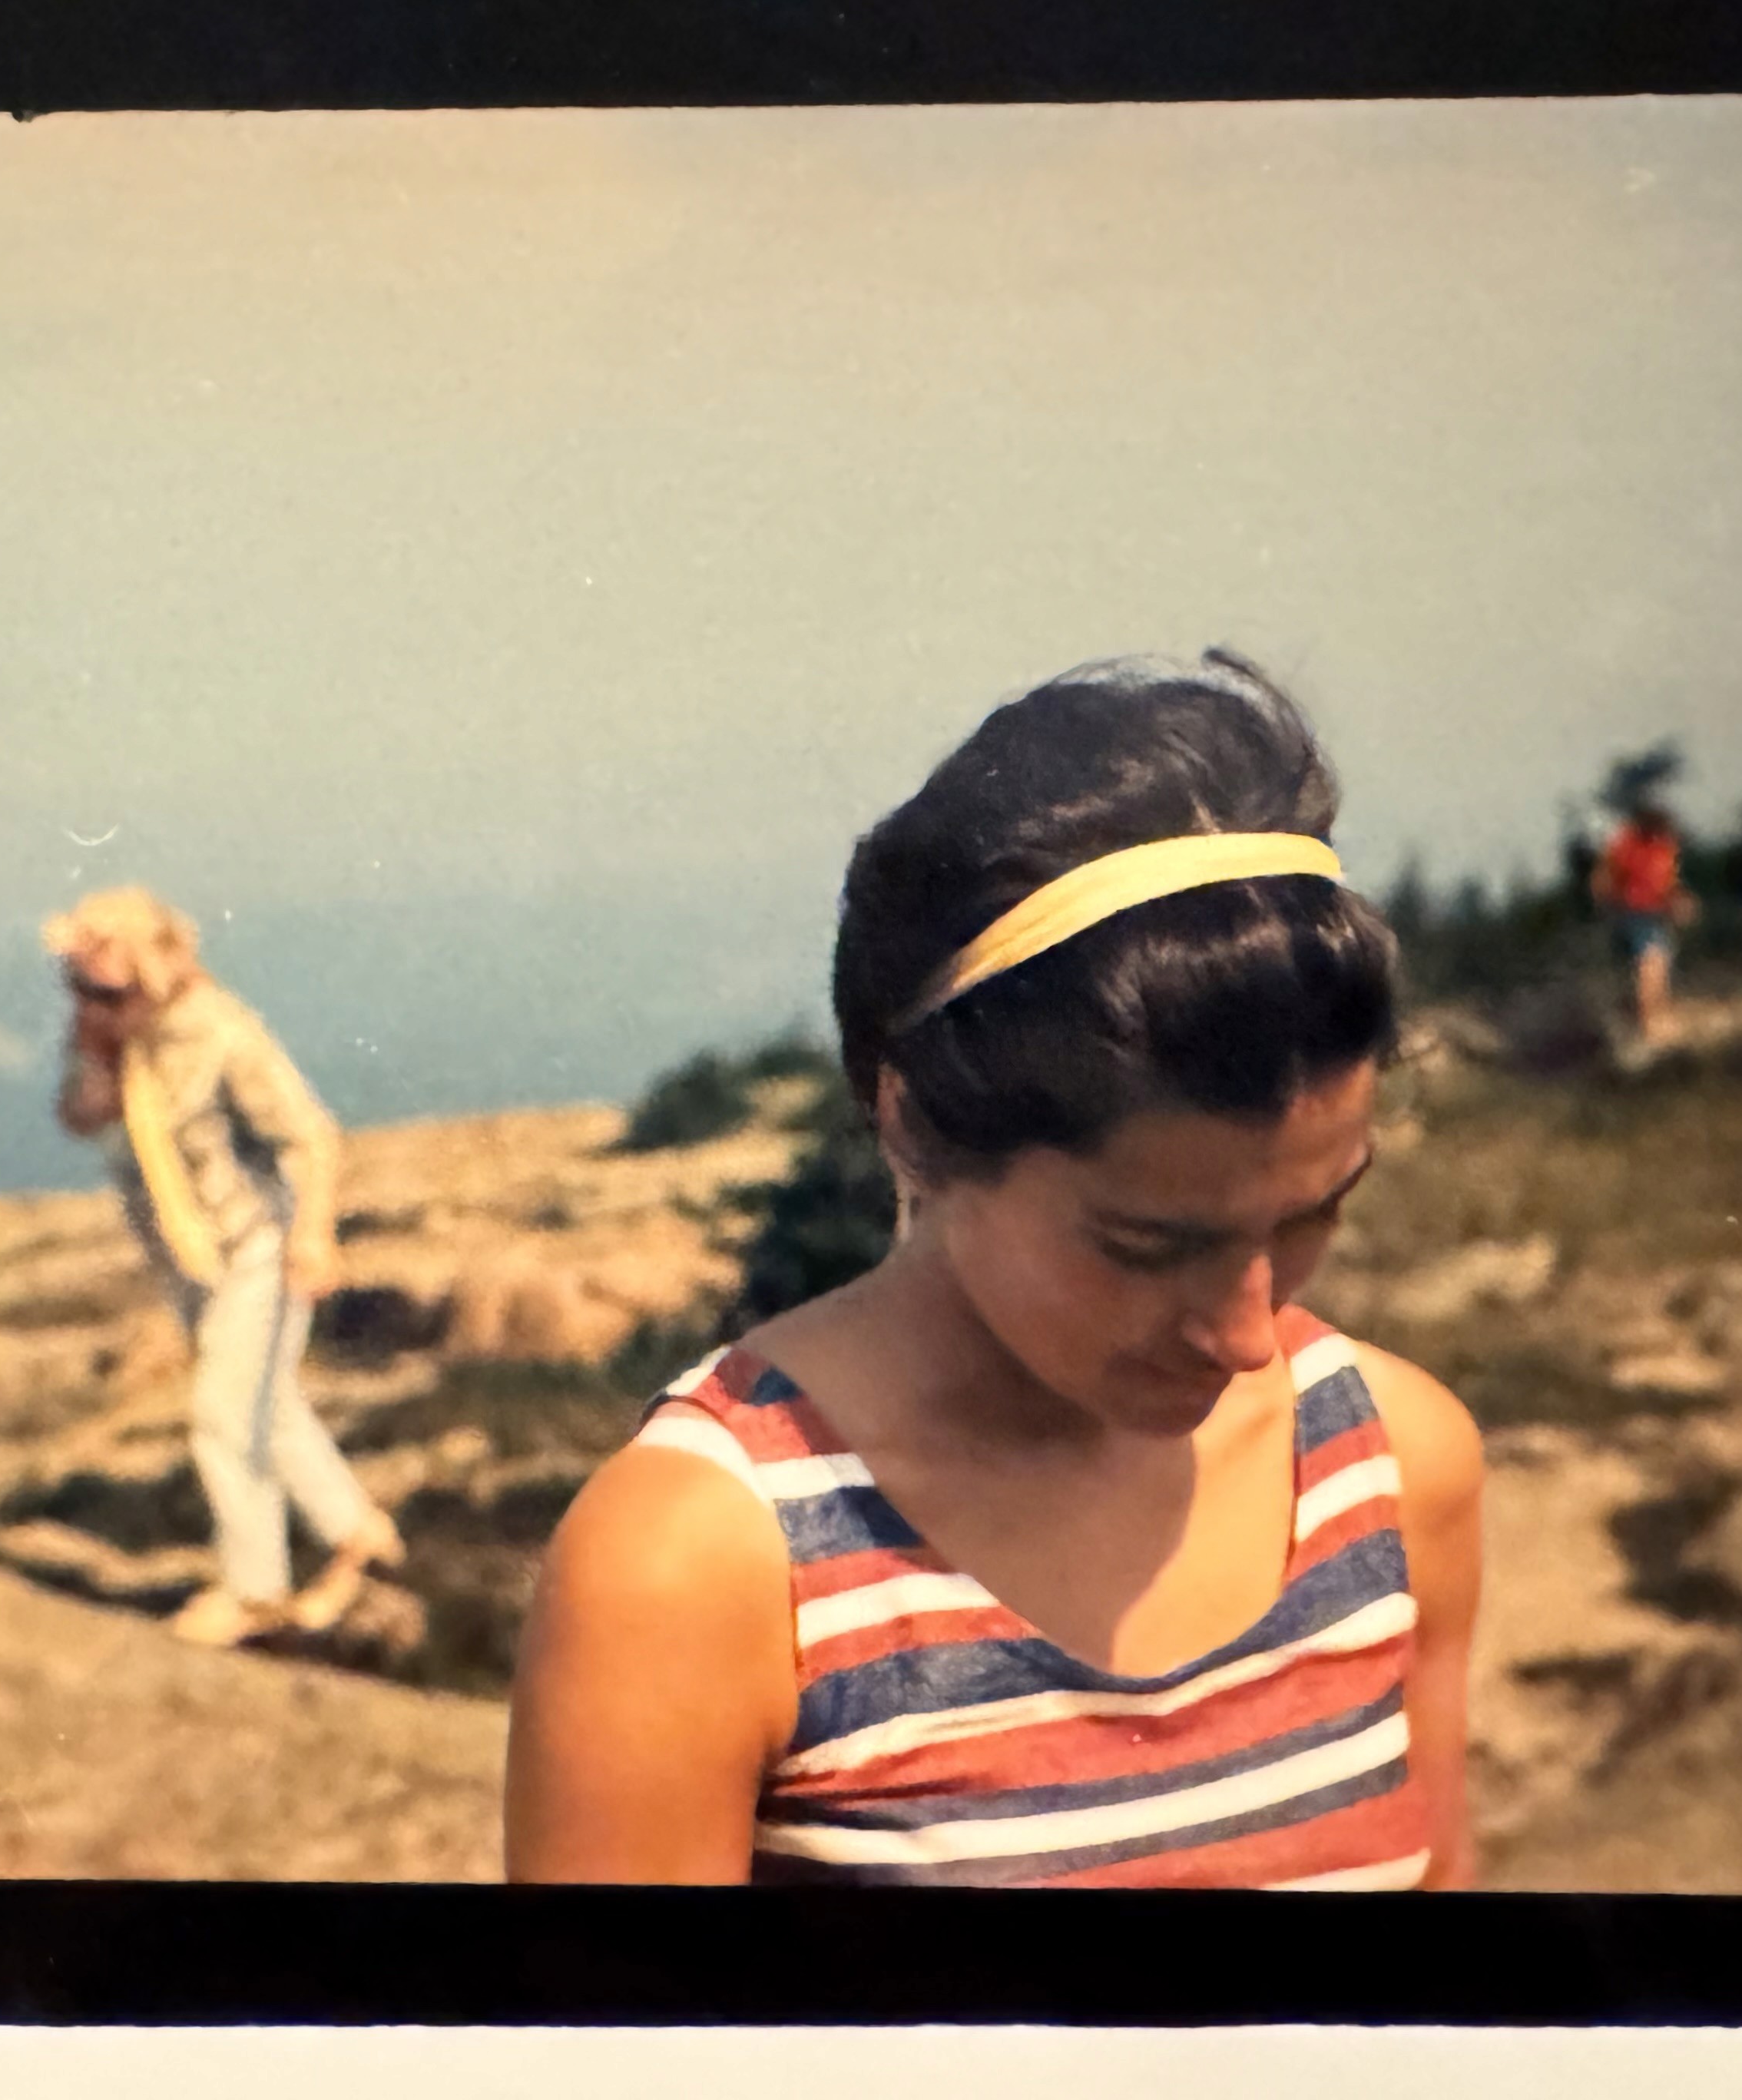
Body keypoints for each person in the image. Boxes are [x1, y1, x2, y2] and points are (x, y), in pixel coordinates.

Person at [505, 653, 1482, 1887]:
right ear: (913, 1123)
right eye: (1147, 1244)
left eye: (1312, 1217)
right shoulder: (694, 1568)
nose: (1248, 1334)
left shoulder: (1397, 1470)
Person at [45, 886, 404, 1648]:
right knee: (266, 1404)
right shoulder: (113, 1037)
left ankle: (255, 1590)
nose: (91, 1002)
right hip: (190, 1254)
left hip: (258, 1249)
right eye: (78, 984)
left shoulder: (222, 1035)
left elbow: (310, 1136)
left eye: (108, 987)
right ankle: (356, 1533)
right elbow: (79, 1118)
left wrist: (314, 1234)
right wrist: (98, 1056)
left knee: (222, 1411)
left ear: (157, 968)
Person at [1590, 800, 1697, 1048]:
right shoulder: (1627, 845)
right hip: (1633, 915)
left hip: (1656, 916)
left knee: (1656, 971)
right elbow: (1603, 880)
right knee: (1651, 968)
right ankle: (1651, 1030)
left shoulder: (1664, 849)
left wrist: (1679, 902)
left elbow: (1666, 884)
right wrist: (1609, 906)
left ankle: (1649, 1025)